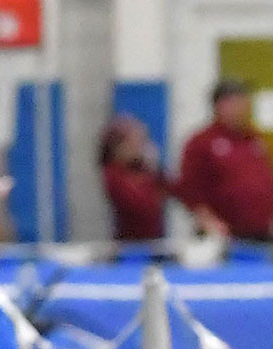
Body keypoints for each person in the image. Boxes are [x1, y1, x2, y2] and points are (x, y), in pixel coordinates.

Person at [178, 77, 273, 242]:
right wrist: (208, 221)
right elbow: (189, 189)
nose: (243, 107)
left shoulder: (253, 139)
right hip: (222, 235)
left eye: (245, 101)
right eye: (237, 102)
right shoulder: (201, 142)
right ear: (220, 105)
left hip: (260, 233)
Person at [99, 114, 174, 243]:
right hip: (128, 242)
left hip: (154, 239)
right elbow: (140, 206)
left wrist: (157, 168)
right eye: (137, 142)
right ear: (120, 146)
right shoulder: (113, 172)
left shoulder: (145, 168)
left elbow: (172, 189)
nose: (141, 147)